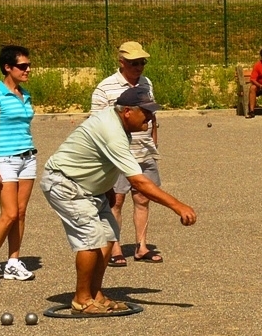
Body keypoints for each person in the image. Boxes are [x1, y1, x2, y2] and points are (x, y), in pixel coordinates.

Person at [40, 86, 197, 315]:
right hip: (66, 184)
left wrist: (106, 188)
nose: (151, 118)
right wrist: (178, 206)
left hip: (91, 190)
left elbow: (103, 160)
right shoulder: (111, 129)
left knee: (108, 236)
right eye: (146, 112)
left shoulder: (120, 126)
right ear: (127, 112)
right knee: (91, 240)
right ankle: (81, 300)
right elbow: (140, 182)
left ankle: (96, 295)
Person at [91, 41, 163, 266]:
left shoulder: (146, 83)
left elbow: (151, 114)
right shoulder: (105, 88)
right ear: (121, 62)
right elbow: (96, 124)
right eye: (134, 63)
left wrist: (154, 139)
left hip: (144, 151)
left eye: (142, 62)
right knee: (117, 200)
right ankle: (115, 248)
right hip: (119, 154)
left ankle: (141, 246)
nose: (139, 67)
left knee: (143, 198)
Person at [0, 45, 38, 284]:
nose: (27, 69)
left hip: (28, 157)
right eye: (22, 66)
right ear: (7, 67)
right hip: (6, 159)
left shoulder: (25, 94)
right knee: (9, 213)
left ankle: (13, 262)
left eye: (29, 65)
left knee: (21, 213)